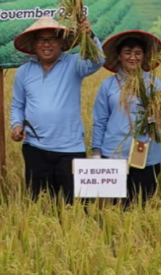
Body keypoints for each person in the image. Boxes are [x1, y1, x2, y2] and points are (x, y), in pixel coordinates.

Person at [10, 17, 103, 203]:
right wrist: (16, 124)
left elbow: (98, 61)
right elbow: (18, 105)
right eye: (41, 40)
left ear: (61, 42)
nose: (47, 44)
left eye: (52, 39)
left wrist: (89, 35)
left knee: (75, 204)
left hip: (70, 148)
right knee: (41, 204)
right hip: (35, 148)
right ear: (34, 44)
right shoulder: (24, 72)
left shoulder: (74, 64)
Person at [91, 30, 161, 205]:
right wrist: (96, 151)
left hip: (147, 155)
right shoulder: (108, 85)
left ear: (144, 56)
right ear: (119, 56)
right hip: (114, 154)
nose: (133, 57)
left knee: (142, 204)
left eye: (138, 53)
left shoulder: (153, 83)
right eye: (128, 52)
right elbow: (100, 120)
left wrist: (154, 119)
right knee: (114, 207)